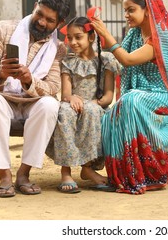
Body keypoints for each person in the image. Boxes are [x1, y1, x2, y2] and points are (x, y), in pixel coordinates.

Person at [90, 0, 168, 194]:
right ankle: (123, 174)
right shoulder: (134, 34)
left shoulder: (159, 38)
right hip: (142, 94)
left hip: (165, 95)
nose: (126, 15)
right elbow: (118, 60)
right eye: (125, 10)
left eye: (131, 10)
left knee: (130, 101)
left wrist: (106, 33)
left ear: (147, 10)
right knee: (111, 114)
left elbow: (127, 59)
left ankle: (149, 172)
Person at [0, 0, 70, 197]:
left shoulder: (58, 48)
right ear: (35, 6)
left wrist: (28, 80)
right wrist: (1, 72)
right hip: (3, 99)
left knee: (50, 104)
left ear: (59, 24)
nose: (42, 22)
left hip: (32, 102)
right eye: (40, 14)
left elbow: (52, 87)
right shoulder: (2, 30)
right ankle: (4, 176)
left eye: (50, 20)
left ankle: (24, 174)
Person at [45, 17, 119, 193]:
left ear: (91, 37)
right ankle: (66, 171)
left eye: (78, 37)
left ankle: (87, 168)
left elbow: (109, 95)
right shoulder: (68, 62)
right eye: (69, 38)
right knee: (64, 112)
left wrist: (93, 103)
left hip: (95, 105)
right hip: (72, 104)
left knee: (92, 111)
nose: (73, 42)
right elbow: (65, 95)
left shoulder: (106, 60)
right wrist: (72, 99)